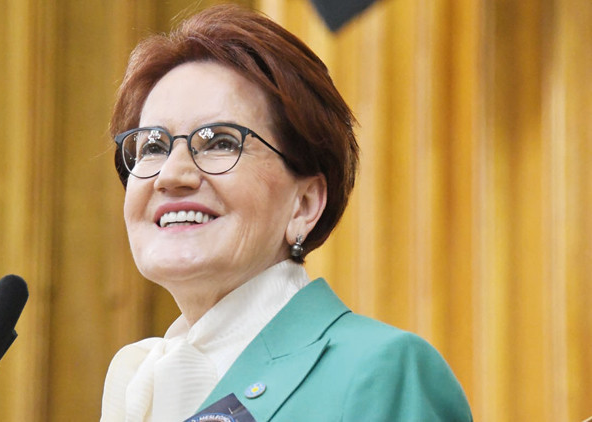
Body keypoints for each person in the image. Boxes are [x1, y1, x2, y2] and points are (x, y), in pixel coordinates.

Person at [101, 4, 471, 421]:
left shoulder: (379, 371)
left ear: (304, 204)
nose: (171, 175)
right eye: (152, 146)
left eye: (221, 142)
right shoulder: (139, 386)